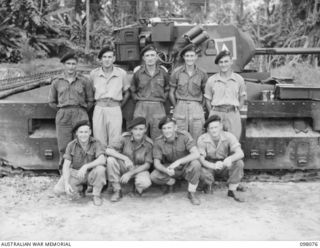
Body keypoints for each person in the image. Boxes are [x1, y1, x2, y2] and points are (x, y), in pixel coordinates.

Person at [48, 52, 94, 169]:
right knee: (64, 145)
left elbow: (90, 101)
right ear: (64, 65)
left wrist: (81, 111)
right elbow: (52, 102)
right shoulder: (57, 82)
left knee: (83, 143)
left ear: (76, 65)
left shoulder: (84, 81)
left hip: (80, 114)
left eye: (73, 64)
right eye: (68, 63)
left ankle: (83, 172)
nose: (71, 66)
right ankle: (64, 172)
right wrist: (62, 111)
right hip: (63, 114)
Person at [53, 120, 107, 206]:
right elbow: (66, 166)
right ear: (76, 133)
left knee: (101, 169)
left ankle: (96, 195)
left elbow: (102, 160)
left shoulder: (96, 143)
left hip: (91, 174)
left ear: (90, 132)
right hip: (78, 174)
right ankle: (81, 189)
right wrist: (66, 183)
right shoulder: (71, 145)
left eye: (86, 132)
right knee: (58, 190)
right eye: (81, 132)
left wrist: (86, 166)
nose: (83, 135)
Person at [151, 116, 202, 205]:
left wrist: (179, 161)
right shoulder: (158, 141)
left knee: (196, 164)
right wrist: (165, 170)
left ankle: (191, 193)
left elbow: (196, 154)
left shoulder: (184, 135)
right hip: (171, 168)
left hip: (185, 167)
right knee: (154, 176)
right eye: (164, 128)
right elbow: (156, 163)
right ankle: (171, 183)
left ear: (175, 128)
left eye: (169, 128)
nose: (167, 131)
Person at [89, 45, 131, 147]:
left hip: (115, 108)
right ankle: (101, 161)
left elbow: (127, 92)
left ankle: (113, 162)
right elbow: (90, 92)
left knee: (115, 139)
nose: (107, 60)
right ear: (100, 59)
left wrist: (119, 106)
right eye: (104, 57)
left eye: (109, 57)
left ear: (114, 59)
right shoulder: (94, 74)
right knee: (98, 139)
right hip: (99, 107)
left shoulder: (122, 73)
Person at [197, 115, 245, 202]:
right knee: (199, 169)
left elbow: (240, 153)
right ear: (208, 129)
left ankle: (232, 190)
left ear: (221, 127)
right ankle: (207, 184)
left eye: (216, 127)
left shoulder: (229, 136)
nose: (214, 130)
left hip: (224, 164)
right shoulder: (202, 139)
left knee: (239, 163)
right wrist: (213, 166)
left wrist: (230, 158)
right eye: (211, 128)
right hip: (210, 165)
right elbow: (202, 160)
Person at [106, 117, 153, 202]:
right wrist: (125, 158)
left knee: (145, 182)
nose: (138, 132)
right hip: (125, 166)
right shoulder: (125, 138)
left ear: (145, 129)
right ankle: (117, 190)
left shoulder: (149, 143)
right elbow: (108, 150)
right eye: (135, 129)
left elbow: (147, 165)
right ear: (131, 130)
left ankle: (136, 189)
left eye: (141, 129)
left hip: (139, 169)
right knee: (110, 160)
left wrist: (130, 174)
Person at [205, 50, 246, 140]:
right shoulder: (211, 80)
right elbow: (207, 100)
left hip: (233, 113)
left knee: (234, 141)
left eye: (226, 61)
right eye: (221, 62)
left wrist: (235, 110)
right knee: (215, 142)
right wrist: (212, 113)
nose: (223, 64)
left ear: (231, 62)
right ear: (218, 64)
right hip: (216, 113)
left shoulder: (239, 79)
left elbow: (242, 97)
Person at [130, 45, 170, 140]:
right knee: (139, 135)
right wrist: (137, 100)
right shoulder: (138, 72)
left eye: (152, 55)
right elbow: (132, 89)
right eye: (147, 56)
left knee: (158, 135)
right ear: (144, 58)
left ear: (156, 57)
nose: (150, 58)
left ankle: (157, 155)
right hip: (141, 106)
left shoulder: (163, 72)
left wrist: (163, 99)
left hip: (158, 106)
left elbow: (167, 88)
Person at [169, 45, 208, 141]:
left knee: (197, 133)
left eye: (192, 56)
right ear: (183, 57)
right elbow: (171, 92)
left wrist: (200, 106)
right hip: (180, 104)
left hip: (196, 105)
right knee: (179, 133)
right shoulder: (176, 72)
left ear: (196, 57)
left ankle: (197, 155)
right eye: (187, 56)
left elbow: (205, 93)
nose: (189, 58)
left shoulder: (202, 73)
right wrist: (176, 105)